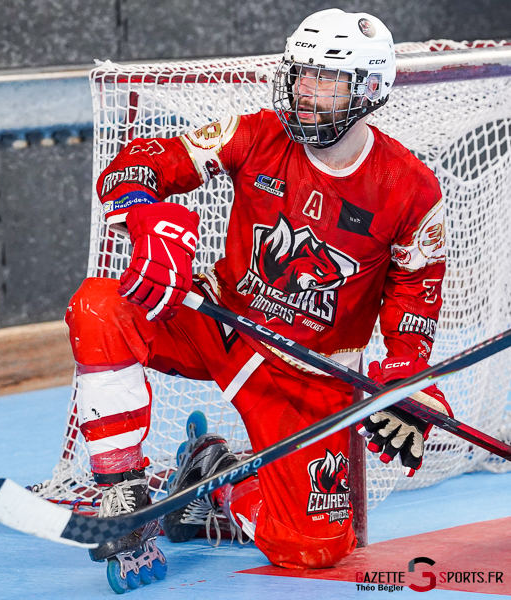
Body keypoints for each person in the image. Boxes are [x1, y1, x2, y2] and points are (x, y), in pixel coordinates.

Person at [66, 8, 453, 574]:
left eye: (326, 80)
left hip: (309, 370)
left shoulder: (411, 190)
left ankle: (213, 479)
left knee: (312, 550)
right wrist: (148, 217)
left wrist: (407, 379)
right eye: (300, 74)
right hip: (221, 320)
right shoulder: (256, 134)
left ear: (369, 90)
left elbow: (417, 293)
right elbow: (137, 165)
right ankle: (124, 489)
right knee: (99, 307)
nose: (305, 91)